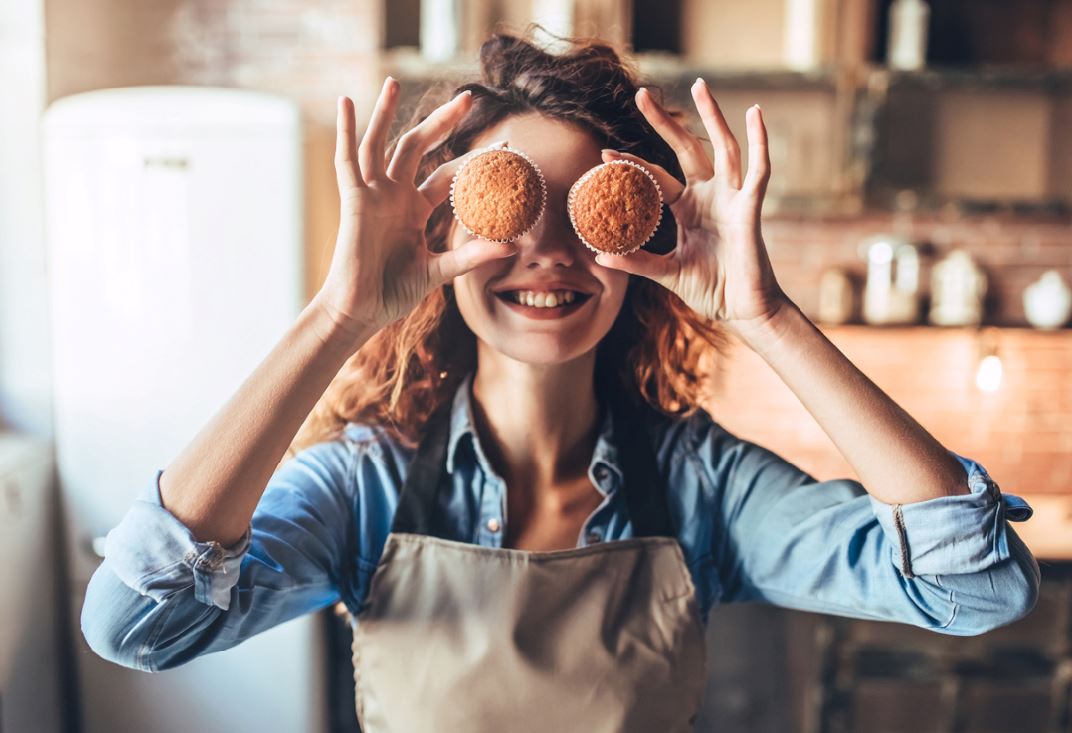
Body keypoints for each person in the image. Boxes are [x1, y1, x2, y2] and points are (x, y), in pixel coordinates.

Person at [81, 32, 1040, 731]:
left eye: (588, 216)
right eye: (509, 209)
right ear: (444, 238)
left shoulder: (702, 487)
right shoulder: (362, 490)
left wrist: (767, 315)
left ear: (637, 247)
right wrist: (339, 317)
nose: (547, 256)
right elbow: (137, 625)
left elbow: (977, 588)